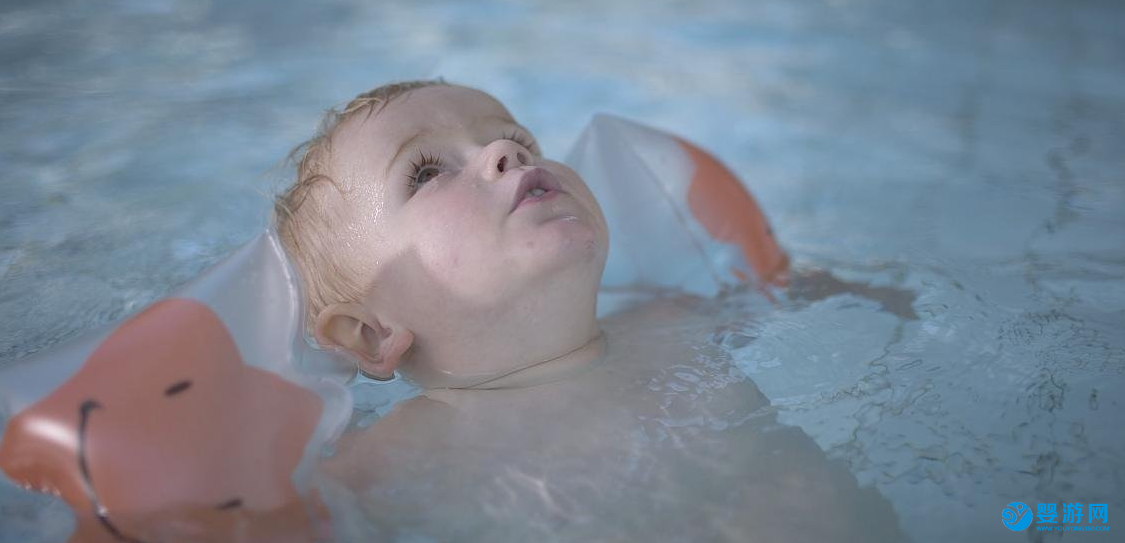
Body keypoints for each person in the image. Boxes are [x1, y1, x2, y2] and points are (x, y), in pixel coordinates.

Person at [275, 79, 906, 542]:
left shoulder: (672, 324)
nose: (505, 151)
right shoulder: (386, 461)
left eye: (517, 137)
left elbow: (780, 293)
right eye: (424, 172)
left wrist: (862, 294)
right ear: (370, 332)